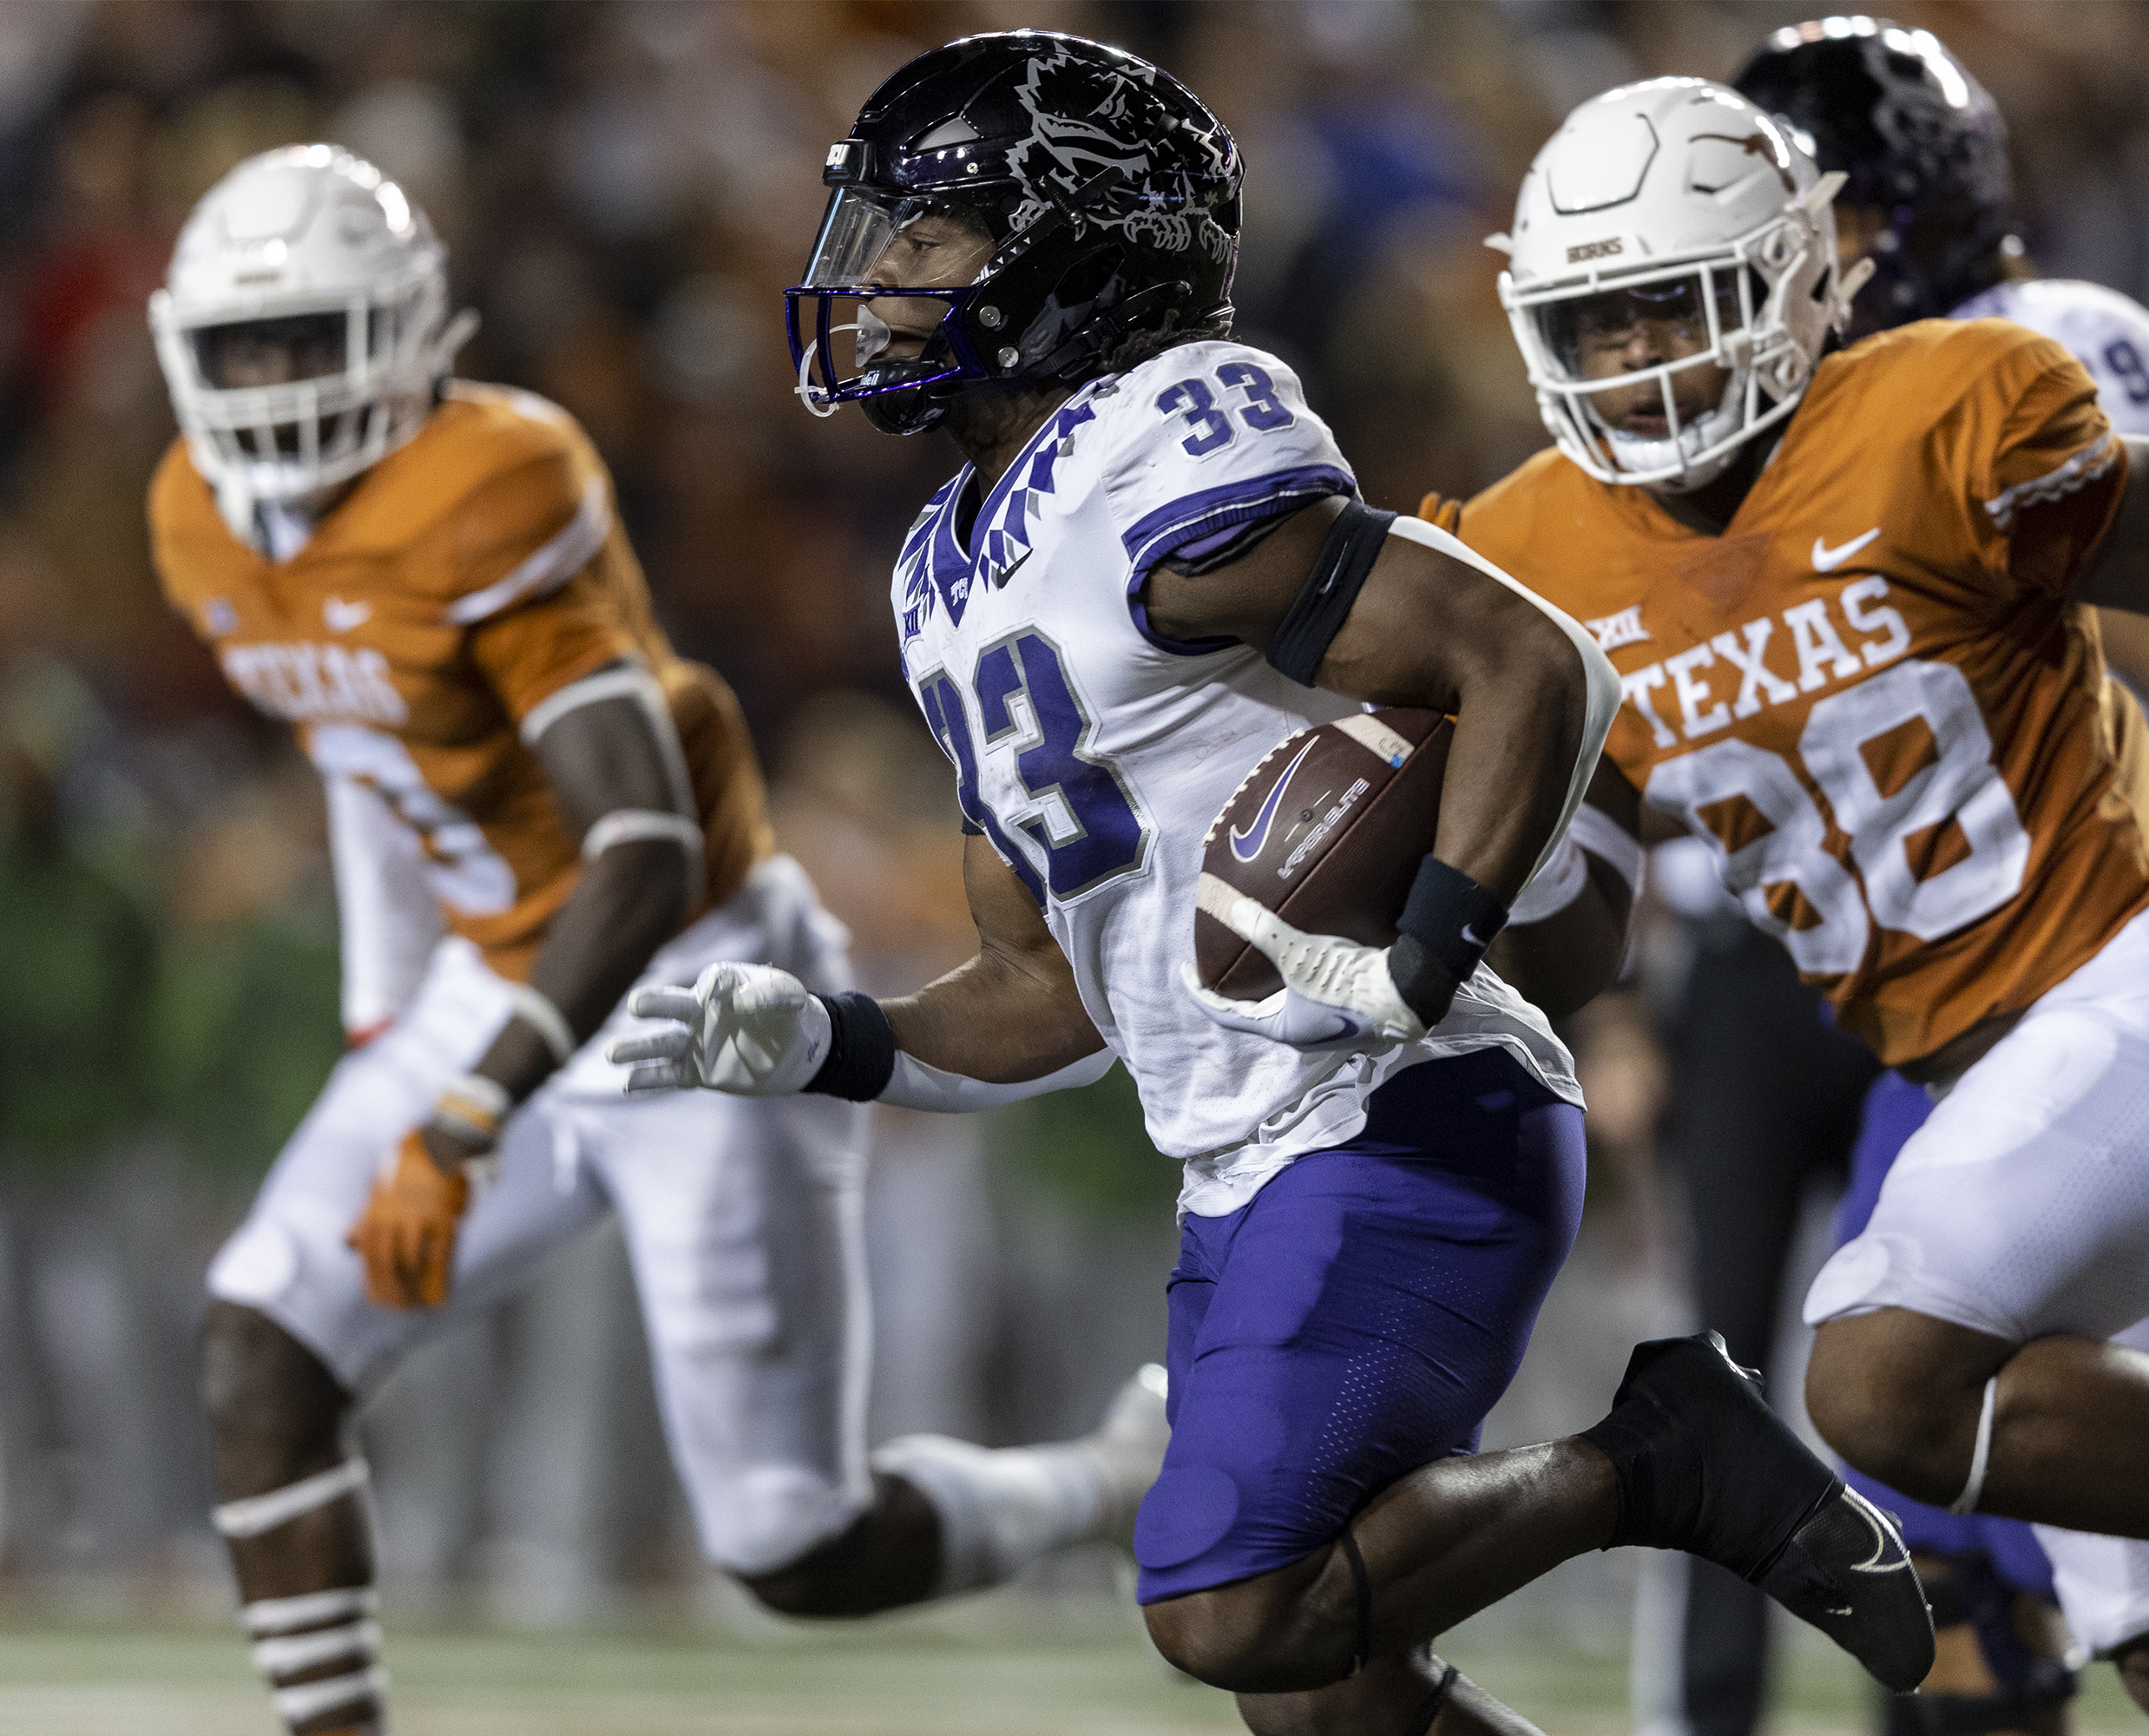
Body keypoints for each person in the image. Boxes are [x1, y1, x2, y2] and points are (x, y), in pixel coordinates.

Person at [614, 32, 1933, 1736]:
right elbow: (1049, 987)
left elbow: (1530, 663)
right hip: (1243, 1164)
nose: (873, 278)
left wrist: (1424, 954)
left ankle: (1663, 1458)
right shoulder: (942, 572)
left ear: (1068, 253)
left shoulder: (1164, 441)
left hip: (1401, 1113)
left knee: (1231, 1605)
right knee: (1327, 1704)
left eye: (925, 237)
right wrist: (830, 1039)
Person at [1443, 73, 2149, 1736]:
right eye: (1595, 326)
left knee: (1872, 1374)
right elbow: (1580, 935)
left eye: (1673, 308)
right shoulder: (1528, 550)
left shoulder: (1948, 405)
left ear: (1802, 277)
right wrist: (1470, 901)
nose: (1638, 363)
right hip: (1996, 1078)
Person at [147, 145, 1165, 1736]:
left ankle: (1098, 1485)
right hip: (499, 977)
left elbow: (642, 850)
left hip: (695, 998)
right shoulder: (198, 525)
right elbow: (367, 764)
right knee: (260, 1348)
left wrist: (463, 1112)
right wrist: (383, 1029)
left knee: (788, 1544)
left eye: (312, 337)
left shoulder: (492, 480)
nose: (276, 384)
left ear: (414, 335)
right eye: (246, 349)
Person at [1626, 23, 2149, 1736]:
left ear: (1900, 220)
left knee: (1978, 1517)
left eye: (1793, 226)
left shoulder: (2002, 374)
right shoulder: (1855, 401)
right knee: (2069, 1599)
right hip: (2032, 995)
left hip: (2148, 982)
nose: (1752, 275)